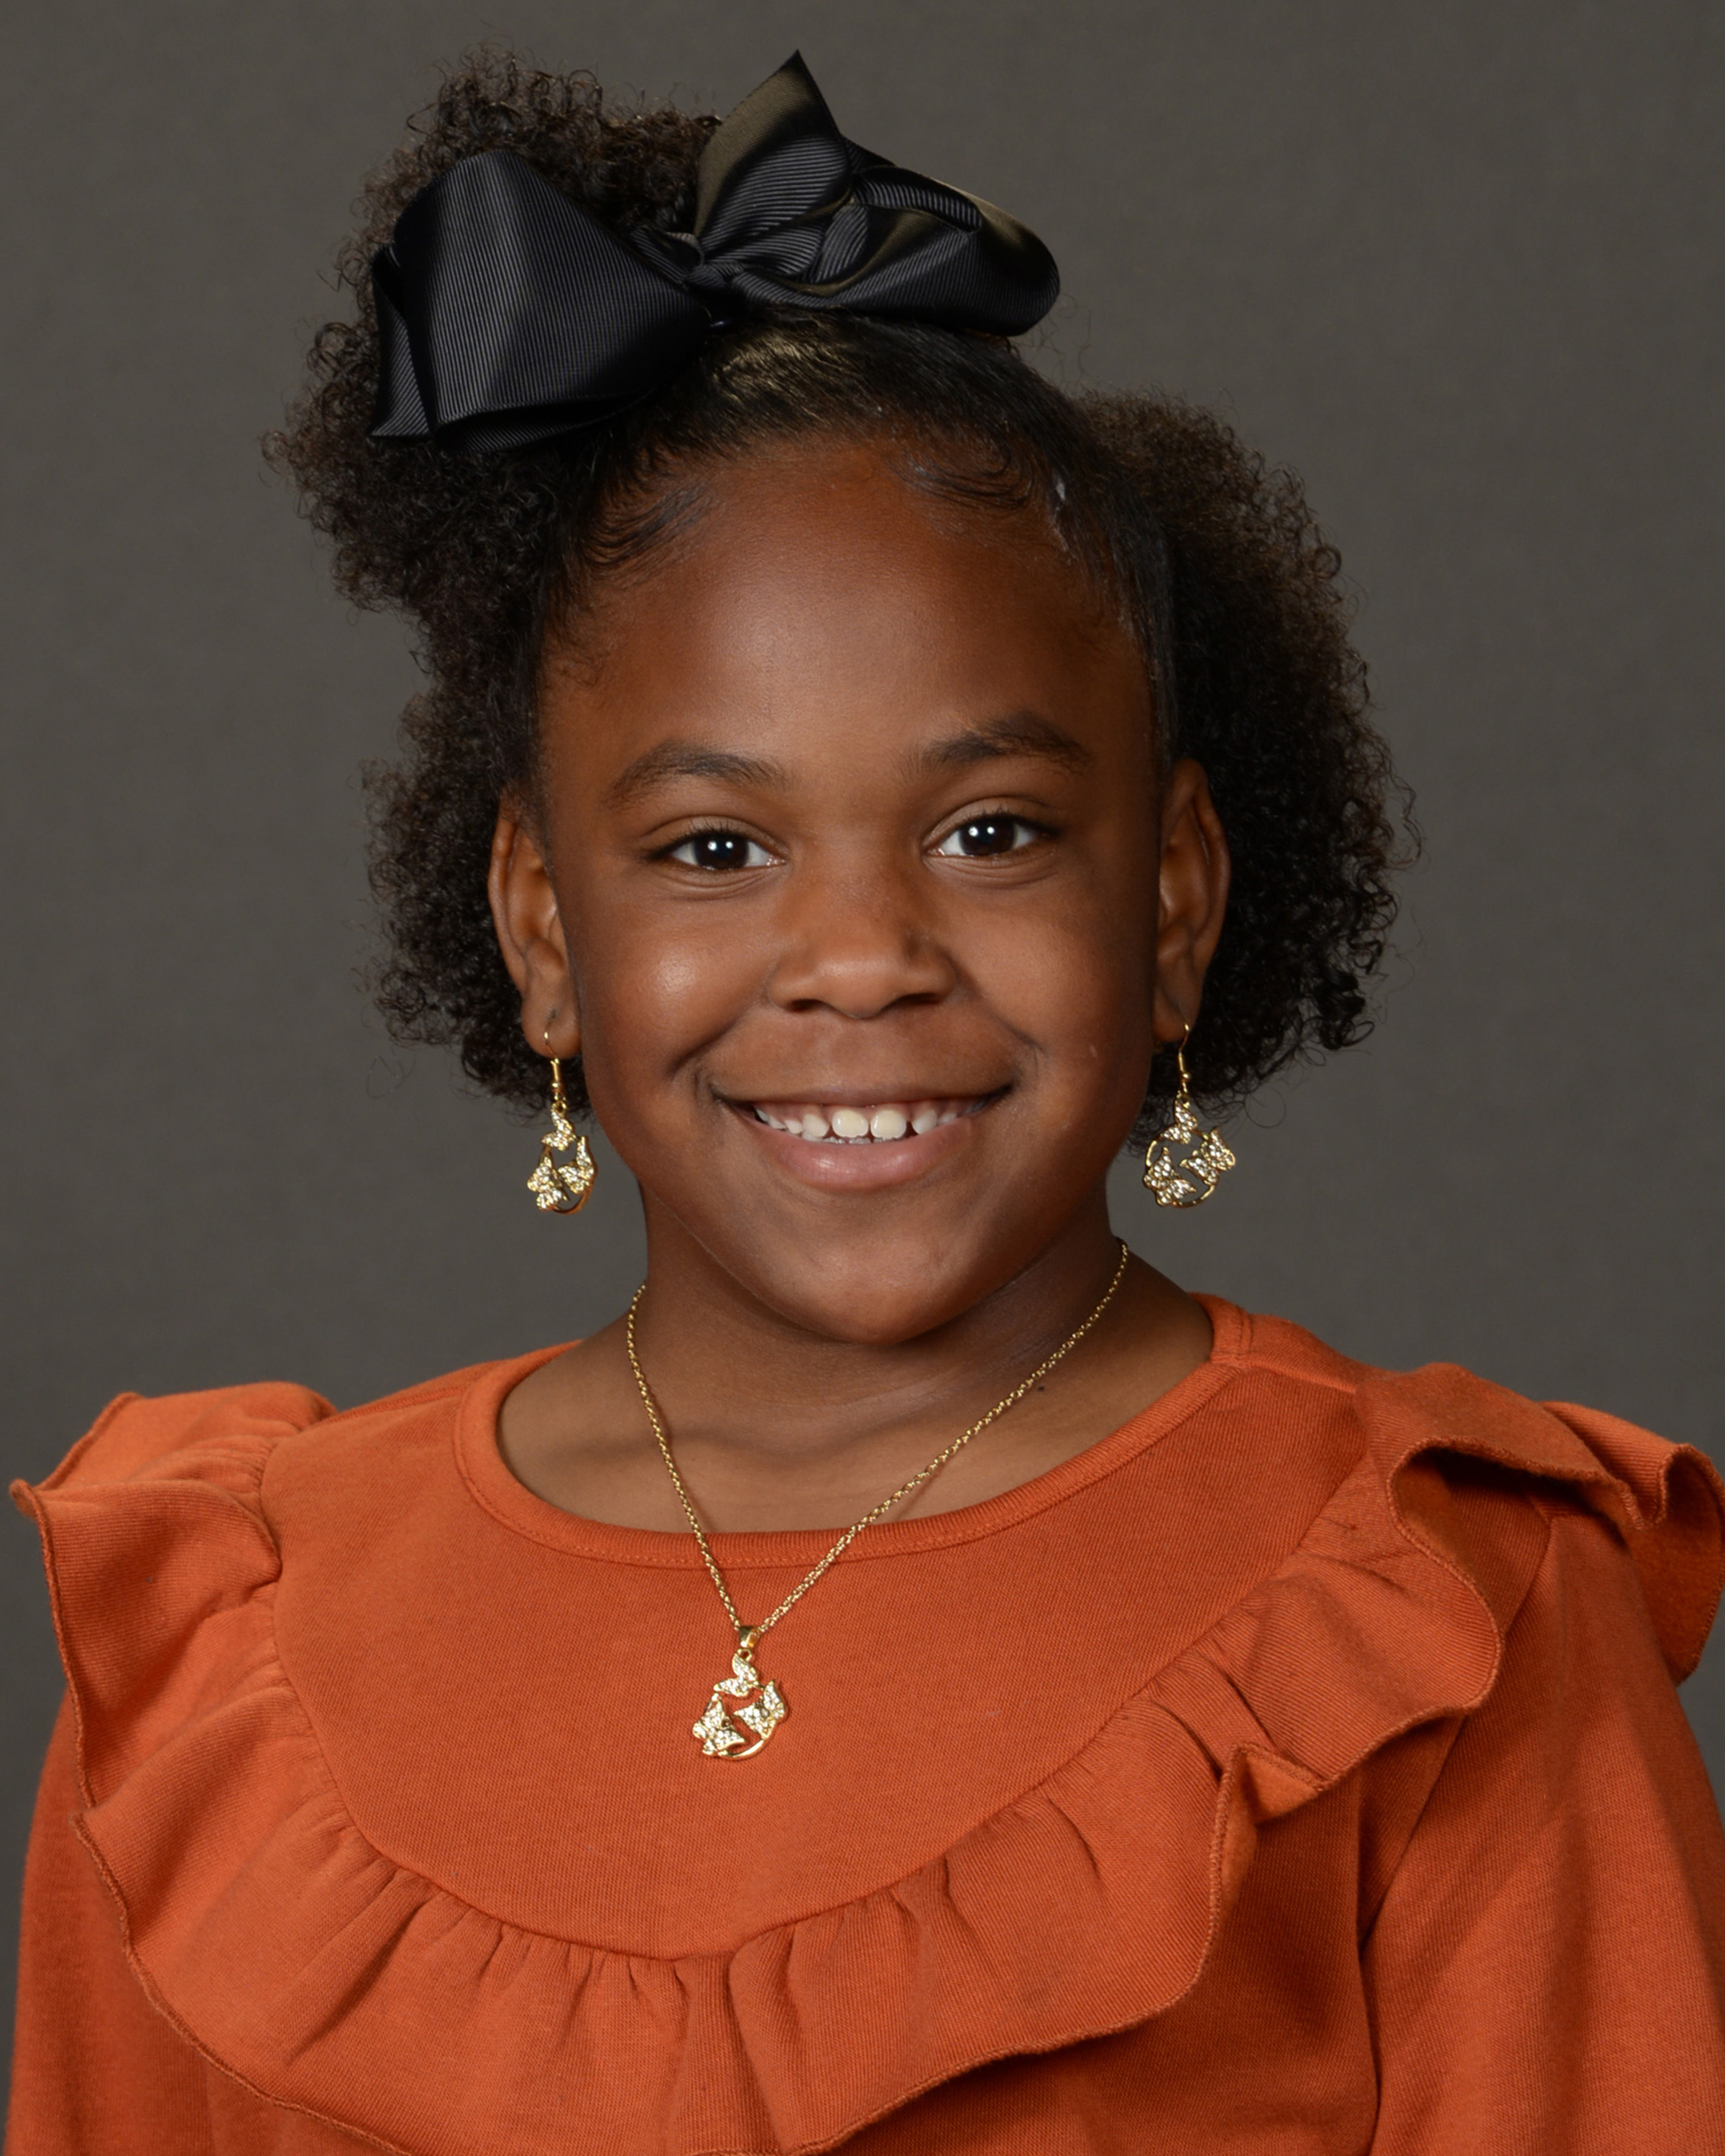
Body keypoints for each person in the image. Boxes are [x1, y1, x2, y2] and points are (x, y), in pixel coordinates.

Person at [9, 50, 1724, 2156]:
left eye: (992, 832)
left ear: (1175, 897)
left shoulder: (1442, 1612)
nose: (859, 956)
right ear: (541, 928)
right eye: (715, 848)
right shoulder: (232, 1652)